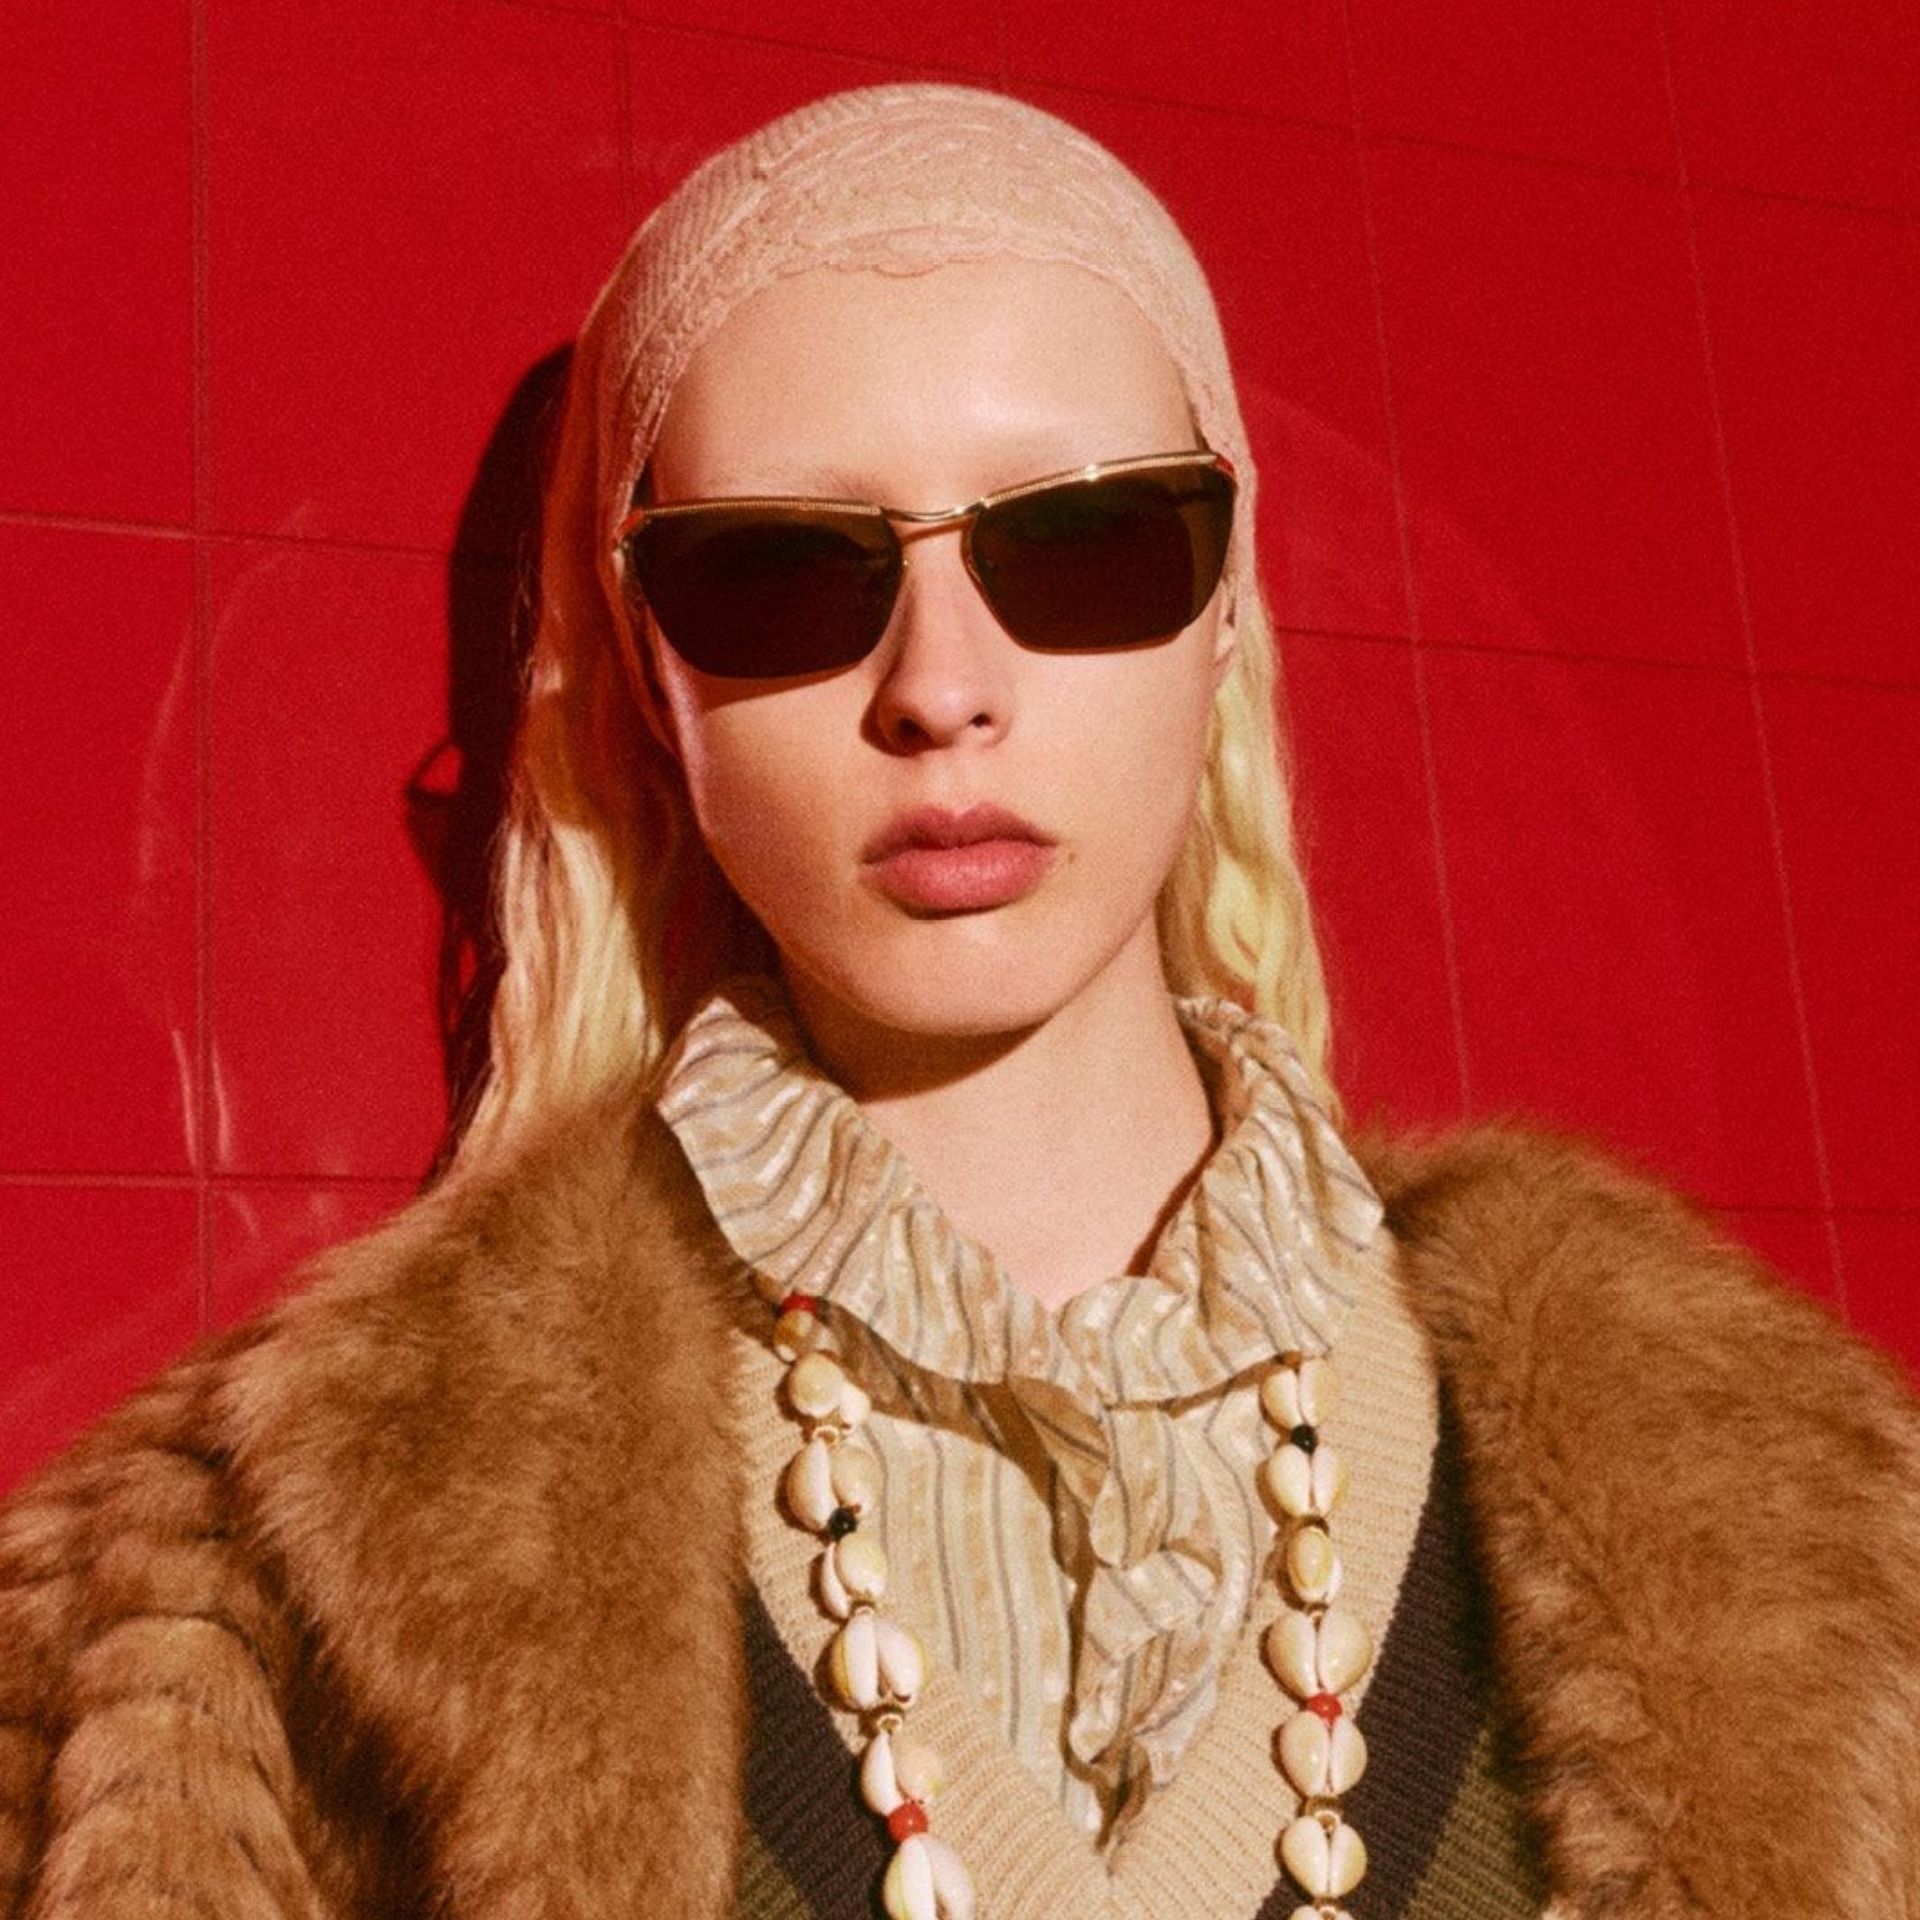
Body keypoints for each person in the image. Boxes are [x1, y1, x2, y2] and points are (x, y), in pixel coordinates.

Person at [3, 84, 1918, 1920]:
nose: (941, 686)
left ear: (1228, 598)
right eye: (776, 574)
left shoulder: (1819, 1548)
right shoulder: (246, 1616)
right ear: (648, 670)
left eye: (1084, 541)